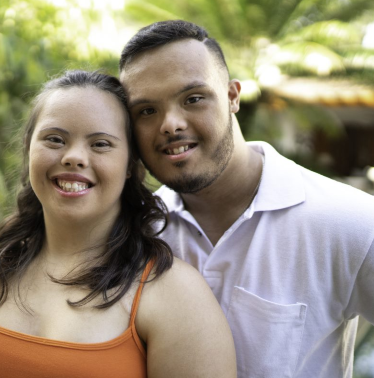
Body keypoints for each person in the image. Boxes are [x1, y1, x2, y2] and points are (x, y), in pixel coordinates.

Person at [119, 20, 374, 378]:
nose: (170, 124)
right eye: (146, 111)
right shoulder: (133, 233)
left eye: (193, 99)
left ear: (232, 95)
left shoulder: (347, 219)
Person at [0, 70, 237, 378]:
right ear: (28, 147)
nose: (74, 157)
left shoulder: (175, 295)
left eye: (100, 144)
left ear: (130, 165)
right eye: (55, 139)